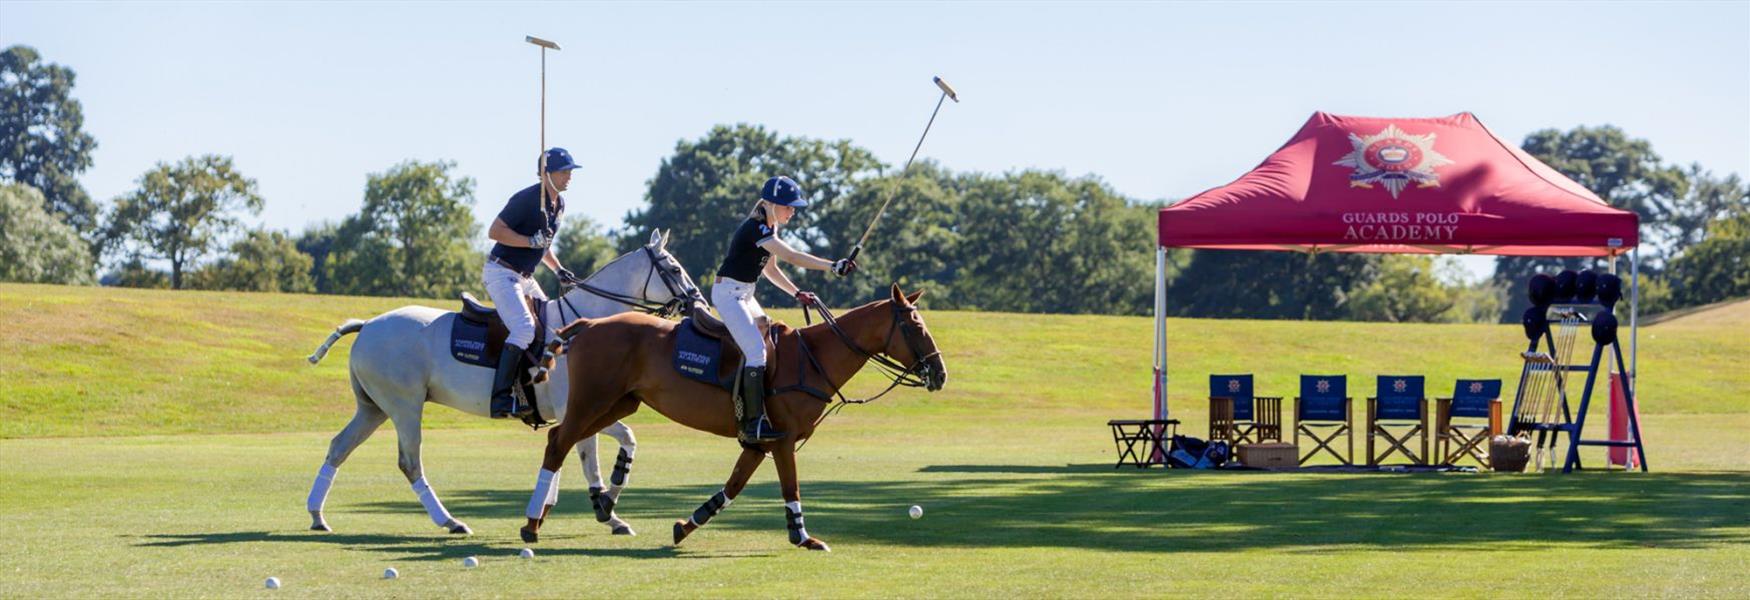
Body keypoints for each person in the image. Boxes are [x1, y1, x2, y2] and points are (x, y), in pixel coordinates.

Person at [713, 175, 858, 443]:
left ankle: (766, 405)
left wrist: (796, 293)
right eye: (788, 206)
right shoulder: (757, 229)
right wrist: (832, 266)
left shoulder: (770, 229)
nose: (792, 211)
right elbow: (792, 256)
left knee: (769, 342)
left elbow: (771, 269)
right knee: (756, 352)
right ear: (770, 204)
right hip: (727, 294)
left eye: (793, 207)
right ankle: (753, 423)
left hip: (744, 294)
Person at [483, 147, 584, 419]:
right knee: (525, 328)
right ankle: (501, 398)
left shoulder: (559, 204)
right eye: (564, 171)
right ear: (545, 174)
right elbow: (495, 231)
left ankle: (539, 391)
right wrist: (529, 241)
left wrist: (558, 269)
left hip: (526, 277)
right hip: (502, 273)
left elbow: (544, 245)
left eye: (570, 171)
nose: (569, 177)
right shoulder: (527, 199)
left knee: (552, 324)